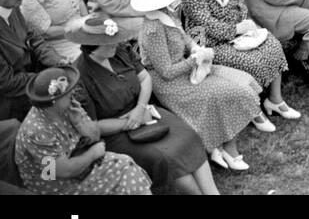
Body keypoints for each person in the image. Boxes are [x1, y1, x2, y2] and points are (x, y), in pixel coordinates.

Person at [132, 0, 263, 172]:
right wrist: (195, 59)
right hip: (170, 82)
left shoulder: (166, 13)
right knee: (225, 92)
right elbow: (166, 72)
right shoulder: (152, 29)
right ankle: (226, 147)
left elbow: (184, 38)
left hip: (186, 68)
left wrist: (195, 49)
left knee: (241, 80)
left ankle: (221, 144)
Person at [72, 12, 218, 195]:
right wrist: (132, 121)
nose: (115, 44)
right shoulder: (80, 76)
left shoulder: (120, 51)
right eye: (109, 43)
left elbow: (144, 79)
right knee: (165, 156)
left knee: (188, 136)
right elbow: (91, 126)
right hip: (115, 131)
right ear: (93, 47)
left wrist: (140, 108)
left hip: (145, 110)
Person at [180, 0, 298, 129]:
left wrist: (244, 20)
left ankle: (275, 100)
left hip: (238, 26)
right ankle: (254, 110)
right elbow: (203, 22)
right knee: (250, 61)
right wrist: (235, 30)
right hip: (209, 39)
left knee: (271, 44)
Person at [14, 65, 152, 195]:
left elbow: (95, 135)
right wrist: (93, 154)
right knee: (124, 173)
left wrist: (80, 122)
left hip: (77, 159)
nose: (72, 93)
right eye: (67, 93)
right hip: (54, 185)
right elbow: (61, 172)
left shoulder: (69, 106)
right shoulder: (37, 131)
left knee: (125, 164)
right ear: (54, 101)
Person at [0, 0, 64, 120]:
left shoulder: (12, 8)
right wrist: (48, 79)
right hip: (10, 106)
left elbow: (33, 38)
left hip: (32, 84)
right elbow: (8, 83)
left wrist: (56, 60)